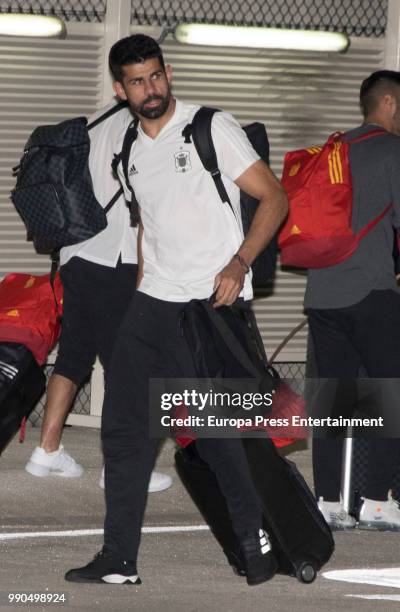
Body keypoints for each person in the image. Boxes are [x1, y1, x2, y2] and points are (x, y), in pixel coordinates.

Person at [64, 34, 288, 586]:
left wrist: (239, 263)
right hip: (154, 302)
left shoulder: (211, 127)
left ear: (167, 74)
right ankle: (119, 557)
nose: (151, 89)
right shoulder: (129, 151)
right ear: (121, 91)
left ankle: (255, 544)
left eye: (157, 75)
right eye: (138, 81)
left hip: (210, 302)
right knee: (121, 427)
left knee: (212, 432)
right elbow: (149, 229)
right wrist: (140, 292)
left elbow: (275, 197)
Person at [24, 100, 172, 494]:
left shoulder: (90, 123)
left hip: (74, 253)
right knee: (128, 364)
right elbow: (143, 199)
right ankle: (120, 466)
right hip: (113, 258)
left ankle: (47, 450)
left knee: (74, 354)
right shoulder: (139, 128)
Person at [305, 70, 400, 530]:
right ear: (390, 103)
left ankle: (326, 501)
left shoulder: (334, 150)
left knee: (331, 395)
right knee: (389, 392)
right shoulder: (392, 149)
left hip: (322, 293)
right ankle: (376, 500)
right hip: (372, 291)